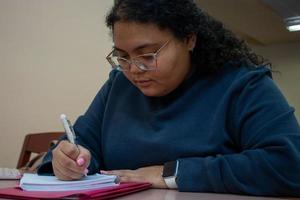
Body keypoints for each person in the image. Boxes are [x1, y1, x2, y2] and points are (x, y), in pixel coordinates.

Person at [38, 0, 300, 196]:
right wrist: (70, 160)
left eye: (148, 55)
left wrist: (173, 173)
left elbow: (289, 164)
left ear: (189, 40)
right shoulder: (118, 86)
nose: (133, 70)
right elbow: (81, 144)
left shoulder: (242, 85)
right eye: (122, 56)